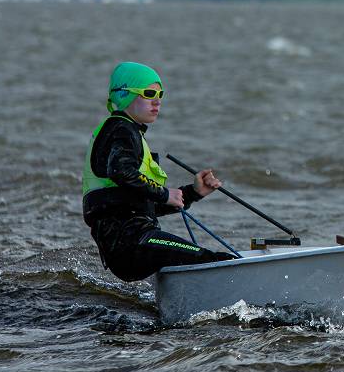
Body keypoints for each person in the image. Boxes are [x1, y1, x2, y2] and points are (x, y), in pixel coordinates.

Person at [82, 62, 236, 282]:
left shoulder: (127, 131)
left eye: (160, 94)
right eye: (149, 94)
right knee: (210, 259)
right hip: (129, 239)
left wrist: (193, 193)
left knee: (199, 257)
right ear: (125, 95)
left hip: (131, 241)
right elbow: (120, 171)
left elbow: (137, 203)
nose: (157, 101)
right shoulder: (121, 129)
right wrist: (164, 193)